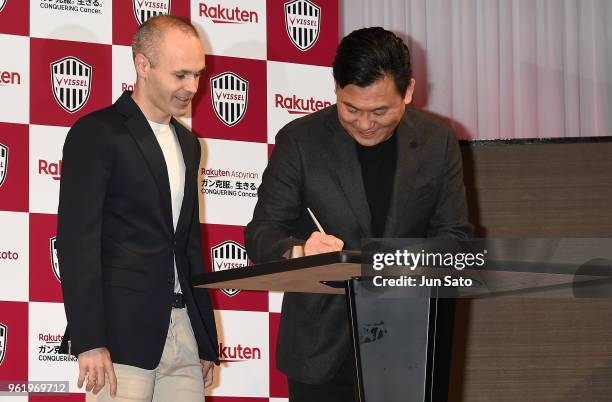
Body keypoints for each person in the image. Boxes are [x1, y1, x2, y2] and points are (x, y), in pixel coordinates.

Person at [245, 27, 473, 401]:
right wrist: (300, 252)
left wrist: (400, 263)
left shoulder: (437, 141)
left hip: (408, 344)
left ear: (409, 91)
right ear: (335, 89)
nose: (365, 124)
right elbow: (261, 232)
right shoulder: (300, 141)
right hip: (321, 351)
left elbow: (457, 237)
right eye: (350, 109)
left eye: (380, 111)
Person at [57, 15, 218, 402]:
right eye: (180, 75)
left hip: (183, 334)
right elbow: (78, 243)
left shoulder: (189, 143)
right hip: (118, 339)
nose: (192, 87)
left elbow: (189, 245)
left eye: (197, 75)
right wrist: (89, 339)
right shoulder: (97, 133)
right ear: (143, 65)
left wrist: (205, 337)